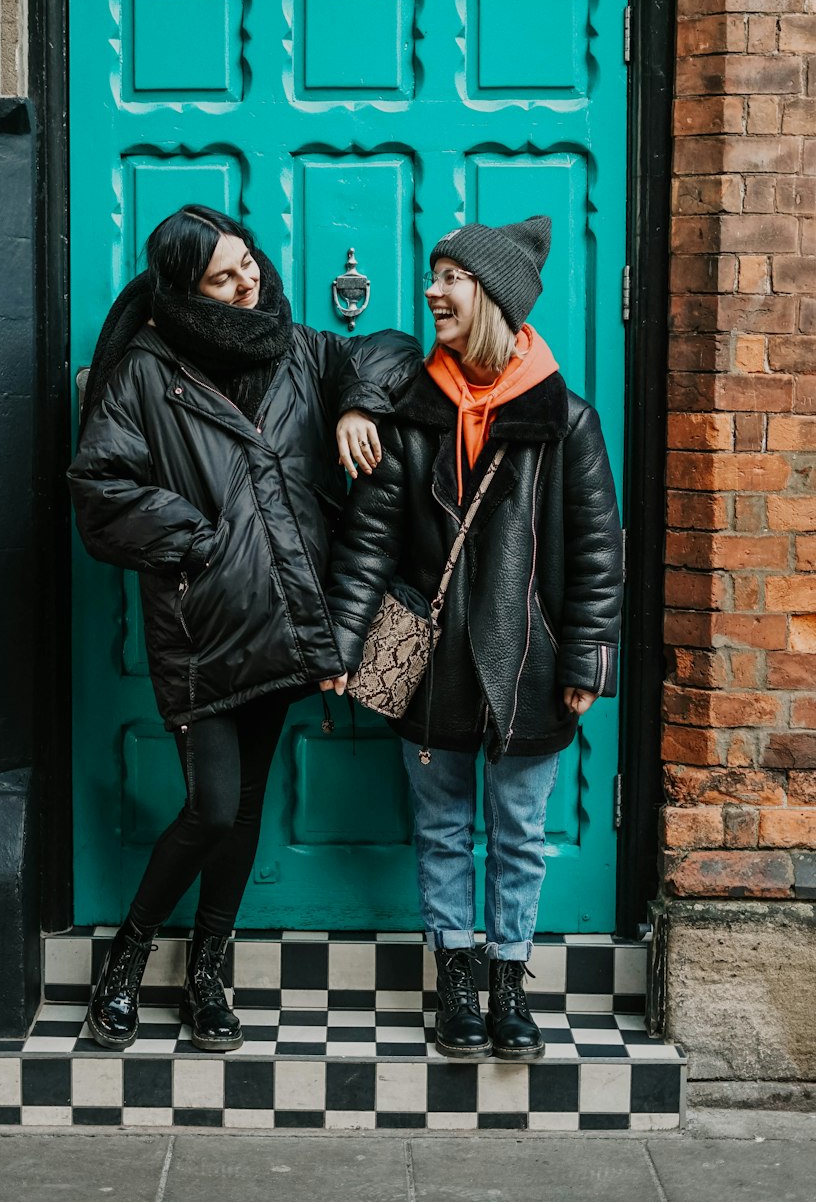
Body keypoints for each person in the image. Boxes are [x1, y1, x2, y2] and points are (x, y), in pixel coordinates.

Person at [68, 204, 419, 1053]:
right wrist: (202, 541)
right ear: (187, 288)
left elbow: (396, 349)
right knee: (211, 806)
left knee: (246, 803)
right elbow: (98, 492)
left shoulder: (297, 347)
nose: (249, 282)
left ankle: (208, 972)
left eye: (249, 263)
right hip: (201, 626)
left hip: (286, 624)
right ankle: (127, 959)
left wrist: (356, 405)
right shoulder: (148, 370)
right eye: (225, 277)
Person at [322, 217, 623, 1060]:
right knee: (446, 826)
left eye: (450, 276)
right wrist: (344, 647)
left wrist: (586, 656)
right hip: (433, 666)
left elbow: (597, 548)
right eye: (432, 273)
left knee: (520, 831)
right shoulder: (412, 409)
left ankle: (509, 983)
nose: (432, 291)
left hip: (528, 665)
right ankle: (456, 978)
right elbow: (370, 544)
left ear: (491, 295)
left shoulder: (566, 418)